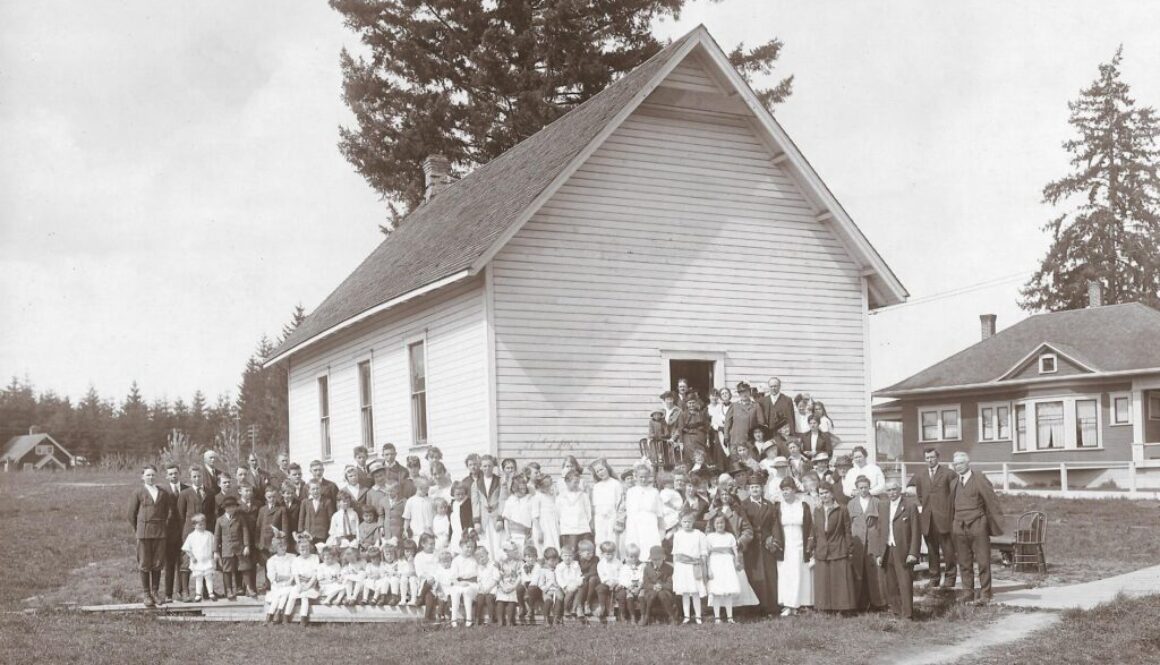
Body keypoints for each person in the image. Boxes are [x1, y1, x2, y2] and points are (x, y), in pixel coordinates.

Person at [950, 452, 1004, 604]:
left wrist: (990, 523)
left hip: (978, 525)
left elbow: (991, 501)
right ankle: (968, 592)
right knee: (964, 562)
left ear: (967, 463)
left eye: (960, 463)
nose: (957, 466)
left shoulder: (979, 478)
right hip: (959, 527)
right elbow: (951, 506)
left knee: (983, 561)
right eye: (955, 464)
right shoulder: (954, 483)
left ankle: (985, 594)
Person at [908, 447, 957, 589]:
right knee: (932, 551)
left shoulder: (949, 474)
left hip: (944, 519)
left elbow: (953, 496)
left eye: (932, 457)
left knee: (948, 551)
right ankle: (934, 578)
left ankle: (950, 578)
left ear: (938, 458)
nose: (930, 460)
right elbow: (921, 496)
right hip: (928, 520)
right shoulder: (921, 476)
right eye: (927, 458)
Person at [872, 480, 921, 619]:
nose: (891, 493)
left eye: (894, 489)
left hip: (903, 551)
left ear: (900, 489)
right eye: (888, 490)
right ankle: (896, 611)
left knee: (905, 582)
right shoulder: (883, 505)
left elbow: (916, 531)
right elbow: (880, 530)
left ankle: (907, 615)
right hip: (887, 549)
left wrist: (913, 553)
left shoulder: (910, 505)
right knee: (890, 583)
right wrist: (878, 553)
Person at [128, 464, 173, 607]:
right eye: (148, 475)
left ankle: (155, 592)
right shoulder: (138, 492)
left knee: (158, 563)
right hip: (144, 532)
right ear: (142, 477)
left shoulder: (163, 493)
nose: (151, 477)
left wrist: (160, 525)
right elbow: (131, 514)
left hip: (160, 532)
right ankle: (146, 594)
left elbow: (166, 512)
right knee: (145, 563)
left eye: (153, 474)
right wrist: (140, 528)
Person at [741, 473, 781, 617]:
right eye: (752, 487)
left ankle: (770, 607)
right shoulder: (743, 505)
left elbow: (775, 523)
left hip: (766, 544)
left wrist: (774, 540)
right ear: (748, 489)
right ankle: (755, 608)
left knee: (769, 575)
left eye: (757, 487)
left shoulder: (769, 505)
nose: (755, 489)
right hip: (751, 546)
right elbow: (743, 525)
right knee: (754, 575)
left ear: (762, 488)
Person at [812, 486, 856, 612]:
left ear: (832, 494)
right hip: (822, 549)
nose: (824, 496)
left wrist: (849, 549)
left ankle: (841, 607)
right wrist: (813, 547)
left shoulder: (842, 509)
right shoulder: (817, 510)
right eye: (821, 493)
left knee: (839, 579)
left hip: (838, 547)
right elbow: (815, 531)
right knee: (823, 579)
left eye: (826, 492)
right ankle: (824, 607)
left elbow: (847, 530)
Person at [775, 477, 814, 616]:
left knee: (800, 574)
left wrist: (809, 545)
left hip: (799, 544)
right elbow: (775, 527)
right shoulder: (779, 507)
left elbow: (810, 526)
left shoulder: (803, 506)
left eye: (788, 489)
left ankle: (801, 604)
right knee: (786, 575)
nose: (785, 492)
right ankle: (787, 605)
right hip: (785, 546)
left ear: (794, 490)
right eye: (783, 490)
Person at [846, 475, 885, 611]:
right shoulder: (851, 504)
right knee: (857, 572)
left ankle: (878, 603)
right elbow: (848, 524)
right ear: (856, 489)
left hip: (873, 542)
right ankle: (857, 604)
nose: (863, 490)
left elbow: (882, 524)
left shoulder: (877, 502)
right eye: (860, 488)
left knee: (875, 573)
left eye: (866, 487)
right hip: (858, 543)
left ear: (870, 487)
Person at [214, 495, 252, 601]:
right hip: (226, 549)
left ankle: (248, 588)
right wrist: (216, 551)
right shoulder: (220, 520)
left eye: (233, 507)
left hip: (239, 548)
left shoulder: (240, 518)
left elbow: (245, 532)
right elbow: (217, 536)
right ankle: (229, 590)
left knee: (244, 567)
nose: (231, 509)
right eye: (228, 507)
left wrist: (246, 546)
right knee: (227, 570)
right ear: (225, 508)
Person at [706, 513, 741, 623]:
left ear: (725, 524)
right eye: (717, 523)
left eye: (721, 523)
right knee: (716, 592)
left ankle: (730, 617)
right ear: (713, 524)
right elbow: (706, 554)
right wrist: (708, 569)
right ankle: (717, 617)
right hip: (715, 564)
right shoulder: (710, 537)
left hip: (727, 565)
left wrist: (737, 562)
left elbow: (735, 552)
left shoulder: (730, 536)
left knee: (728, 591)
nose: (719, 525)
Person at [160, 464, 187, 602]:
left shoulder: (187, 489)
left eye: (175, 473)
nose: (173, 476)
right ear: (167, 476)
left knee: (183, 565)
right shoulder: (162, 491)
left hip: (184, 532)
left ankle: (182, 592)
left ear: (179, 473)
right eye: (170, 474)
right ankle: (168, 594)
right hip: (169, 534)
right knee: (170, 564)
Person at [471, 455, 506, 557]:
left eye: (489, 466)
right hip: (483, 518)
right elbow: (475, 503)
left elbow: (502, 500)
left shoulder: (499, 481)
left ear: (493, 466)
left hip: (496, 516)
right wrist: (476, 521)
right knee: (485, 543)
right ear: (480, 467)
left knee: (498, 543)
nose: (487, 468)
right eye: (484, 466)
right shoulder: (476, 483)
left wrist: (500, 518)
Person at [623, 465, 662, 557]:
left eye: (645, 477)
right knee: (636, 544)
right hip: (635, 523)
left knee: (650, 545)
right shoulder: (631, 492)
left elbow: (659, 511)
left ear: (649, 477)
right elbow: (629, 511)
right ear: (636, 477)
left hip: (650, 523)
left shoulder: (654, 492)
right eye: (641, 477)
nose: (643, 479)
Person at [590, 459, 624, 554]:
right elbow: (595, 505)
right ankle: (601, 562)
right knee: (600, 540)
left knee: (613, 539)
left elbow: (620, 503)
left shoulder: (616, 484)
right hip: (600, 518)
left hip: (612, 516)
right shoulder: (596, 487)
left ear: (607, 468)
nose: (600, 472)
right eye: (597, 471)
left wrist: (618, 519)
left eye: (602, 469)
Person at [723, 382, 764, 459]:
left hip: (750, 441)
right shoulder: (734, 406)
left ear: (750, 392)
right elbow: (727, 422)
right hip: (736, 441)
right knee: (736, 464)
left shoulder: (756, 406)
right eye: (741, 392)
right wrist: (726, 436)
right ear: (739, 394)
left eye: (746, 392)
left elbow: (761, 423)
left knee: (751, 463)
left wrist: (758, 437)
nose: (744, 394)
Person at [181, 513, 216, 602]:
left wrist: (214, 554)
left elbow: (213, 545)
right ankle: (198, 594)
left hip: (207, 559)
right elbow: (187, 548)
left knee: (209, 577)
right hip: (197, 561)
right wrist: (192, 557)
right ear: (194, 525)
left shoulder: (209, 534)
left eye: (204, 524)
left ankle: (211, 593)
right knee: (199, 578)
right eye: (199, 525)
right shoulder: (191, 536)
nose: (202, 526)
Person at [558, 469, 594, 552]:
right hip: (568, 530)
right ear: (567, 482)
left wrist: (585, 523)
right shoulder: (561, 497)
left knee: (584, 552)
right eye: (575, 482)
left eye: (578, 482)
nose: (576, 484)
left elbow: (588, 512)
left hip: (583, 528)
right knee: (571, 552)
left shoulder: (583, 495)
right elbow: (558, 513)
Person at [641, 545, 678, 625]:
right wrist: (653, 586)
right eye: (654, 560)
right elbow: (645, 584)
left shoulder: (669, 569)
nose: (656, 561)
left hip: (665, 592)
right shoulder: (647, 568)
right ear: (650, 559)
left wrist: (661, 586)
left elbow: (670, 585)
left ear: (664, 557)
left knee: (661, 594)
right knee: (652, 594)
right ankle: (646, 616)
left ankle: (671, 617)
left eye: (658, 559)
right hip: (651, 592)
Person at [288, 534, 321, 626]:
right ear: (298, 550)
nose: (305, 552)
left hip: (310, 583)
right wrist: (299, 585)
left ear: (310, 548)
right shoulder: (296, 559)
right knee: (292, 595)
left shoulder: (315, 557)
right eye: (302, 550)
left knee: (304, 597)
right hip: (300, 583)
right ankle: (286, 617)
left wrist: (308, 585)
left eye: (307, 549)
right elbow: (295, 574)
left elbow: (315, 573)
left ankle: (303, 618)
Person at [448, 538, 480, 627]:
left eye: (472, 547)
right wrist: (459, 583)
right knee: (455, 591)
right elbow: (453, 577)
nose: (470, 549)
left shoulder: (475, 560)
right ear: (461, 546)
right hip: (459, 583)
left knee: (467, 590)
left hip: (472, 584)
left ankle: (469, 619)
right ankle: (453, 619)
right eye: (468, 547)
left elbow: (479, 575)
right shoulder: (456, 560)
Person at [502, 475, 535, 550]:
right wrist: (507, 534)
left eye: (524, 486)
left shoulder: (530, 499)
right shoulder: (510, 500)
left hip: (527, 533)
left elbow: (533, 518)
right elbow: (506, 519)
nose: (523, 489)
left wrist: (532, 532)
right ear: (514, 488)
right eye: (520, 487)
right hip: (513, 533)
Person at [534, 547, 565, 625]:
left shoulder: (560, 568)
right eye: (552, 560)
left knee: (559, 599)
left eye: (556, 560)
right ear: (546, 561)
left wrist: (559, 588)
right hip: (547, 590)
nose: (555, 562)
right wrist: (546, 589)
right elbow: (540, 583)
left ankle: (556, 619)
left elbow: (562, 580)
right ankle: (546, 619)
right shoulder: (543, 571)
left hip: (557, 589)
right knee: (548, 600)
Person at [617, 544, 646, 623]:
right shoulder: (624, 567)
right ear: (627, 556)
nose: (634, 559)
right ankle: (632, 616)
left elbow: (643, 577)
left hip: (640, 586)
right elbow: (622, 579)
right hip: (629, 587)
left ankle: (643, 616)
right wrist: (629, 587)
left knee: (642, 595)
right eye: (631, 557)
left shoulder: (642, 566)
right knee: (629, 596)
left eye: (636, 557)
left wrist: (639, 587)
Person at [298, 480, 335, 545]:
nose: (315, 491)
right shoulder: (305, 502)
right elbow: (301, 518)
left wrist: (330, 533)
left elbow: (331, 519)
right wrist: (302, 531)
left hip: (322, 534)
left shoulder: (327, 502)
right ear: (309, 491)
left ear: (321, 489)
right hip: (308, 534)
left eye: (317, 488)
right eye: (313, 489)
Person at [595, 541, 622, 622]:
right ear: (602, 554)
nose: (610, 556)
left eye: (612, 554)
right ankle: (602, 607)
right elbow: (602, 576)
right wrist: (607, 582)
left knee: (621, 592)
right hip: (606, 583)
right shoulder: (601, 564)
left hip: (616, 583)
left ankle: (620, 613)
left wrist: (616, 582)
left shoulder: (618, 562)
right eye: (607, 554)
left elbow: (621, 574)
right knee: (600, 588)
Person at [403, 477, 436, 542]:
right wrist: (405, 530)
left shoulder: (431, 501)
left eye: (428, 488)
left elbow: (435, 517)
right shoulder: (411, 501)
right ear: (419, 488)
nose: (428, 490)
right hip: (416, 534)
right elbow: (407, 518)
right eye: (426, 488)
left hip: (430, 534)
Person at [555, 546, 584, 620]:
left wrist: (577, 583)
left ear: (573, 556)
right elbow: (559, 579)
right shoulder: (559, 566)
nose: (568, 558)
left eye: (570, 556)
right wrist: (565, 586)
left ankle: (575, 608)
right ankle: (566, 609)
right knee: (570, 592)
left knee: (581, 589)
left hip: (575, 584)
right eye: (565, 556)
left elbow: (579, 575)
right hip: (565, 586)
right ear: (561, 556)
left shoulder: (575, 564)